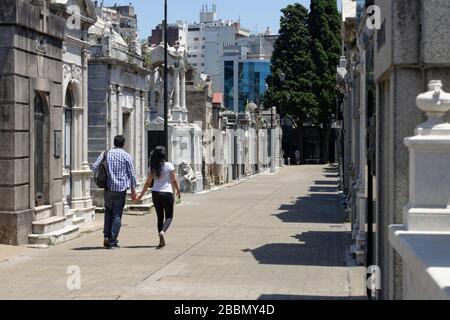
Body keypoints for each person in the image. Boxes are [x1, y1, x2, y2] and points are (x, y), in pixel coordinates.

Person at [92, 135, 137, 249]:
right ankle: (112, 240)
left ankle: (106, 237)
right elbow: (132, 174)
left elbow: (94, 167)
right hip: (121, 189)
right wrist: (133, 189)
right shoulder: (126, 156)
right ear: (123, 144)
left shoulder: (106, 154)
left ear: (114, 143)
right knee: (117, 214)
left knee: (108, 212)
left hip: (108, 188)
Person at [136, 146, 181, 248]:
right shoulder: (169, 166)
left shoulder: (152, 167)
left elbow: (148, 183)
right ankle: (163, 232)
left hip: (155, 193)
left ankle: (161, 240)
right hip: (167, 193)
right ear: (164, 156)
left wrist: (140, 196)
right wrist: (178, 190)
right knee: (169, 216)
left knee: (159, 217)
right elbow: (173, 180)